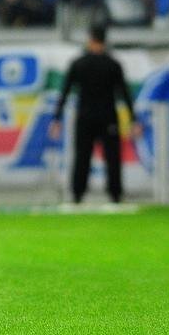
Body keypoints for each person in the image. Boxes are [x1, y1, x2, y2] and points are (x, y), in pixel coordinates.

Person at [50, 24, 140, 203]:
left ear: (90, 40)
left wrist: (57, 118)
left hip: (85, 116)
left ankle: (77, 194)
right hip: (108, 116)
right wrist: (133, 120)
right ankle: (115, 195)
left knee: (82, 156)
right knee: (112, 157)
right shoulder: (113, 65)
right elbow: (124, 94)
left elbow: (65, 92)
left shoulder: (79, 64)